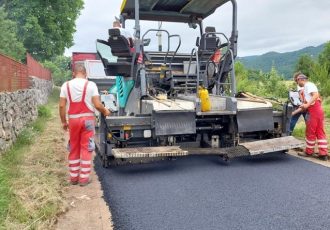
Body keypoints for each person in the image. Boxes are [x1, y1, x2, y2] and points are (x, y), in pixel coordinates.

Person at [59, 64, 111, 186]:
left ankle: (73, 178)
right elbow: (97, 105)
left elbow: (61, 106)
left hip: (73, 120)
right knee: (86, 147)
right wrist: (105, 111)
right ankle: (83, 179)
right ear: (85, 73)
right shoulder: (91, 85)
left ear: (73, 73)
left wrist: (63, 122)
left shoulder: (65, 86)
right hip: (87, 120)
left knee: (74, 147)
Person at [295, 73, 328, 160]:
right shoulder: (306, 90)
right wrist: (294, 113)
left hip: (313, 112)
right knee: (320, 132)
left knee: (310, 132)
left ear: (301, 79)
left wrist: (307, 105)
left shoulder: (308, 85)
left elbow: (316, 95)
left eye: (297, 80)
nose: (297, 82)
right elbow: (305, 105)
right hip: (318, 111)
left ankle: (309, 152)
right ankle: (323, 154)